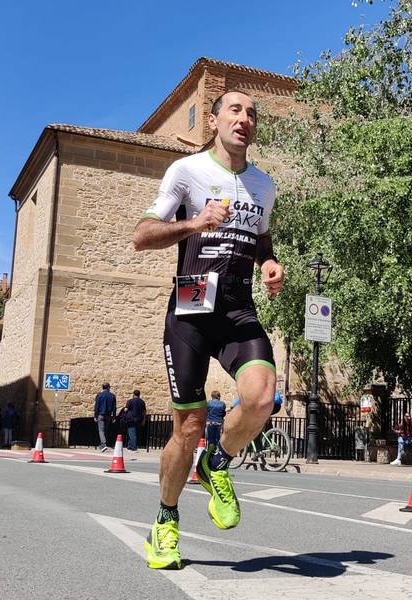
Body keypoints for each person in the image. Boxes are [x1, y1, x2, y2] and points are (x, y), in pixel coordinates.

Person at [133, 90, 284, 570]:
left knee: (262, 398)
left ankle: (215, 462)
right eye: (234, 110)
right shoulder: (187, 171)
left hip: (238, 307)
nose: (244, 119)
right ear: (214, 121)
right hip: (192, 307)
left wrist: (269, 263)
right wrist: (195, 223)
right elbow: (141, 235)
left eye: (251, 113)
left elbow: (261, 238)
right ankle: (166, 518)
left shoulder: (264, 185)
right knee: (189, 426)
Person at [94, 383, 116, 452]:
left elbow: (96, 406)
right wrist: (114, 416)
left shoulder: (99, 395)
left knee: (101, 430)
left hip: (101, 414)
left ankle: (103, 445)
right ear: (108, 387)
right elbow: (114, 407)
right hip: (108, 415)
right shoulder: (112, 396)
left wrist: (95, 415)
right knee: (105, 430)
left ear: (102, 387)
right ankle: (102, 444)